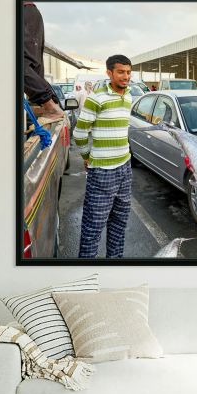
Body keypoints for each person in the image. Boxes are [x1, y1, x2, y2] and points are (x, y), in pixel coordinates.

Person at [74, 55, 135, 258]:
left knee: (119, 226)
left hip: (125, 169)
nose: (125, 76)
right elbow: (80, 132)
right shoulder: (96, 98)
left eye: (128, 72)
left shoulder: (128, 97)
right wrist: (86, 156)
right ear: (109, 73)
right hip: (102, 172)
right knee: (93, 229)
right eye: (120, 72)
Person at [22, 1, 65, 121]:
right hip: (29, 12)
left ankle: (51, 107)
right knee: (33, 65)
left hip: (23, 11)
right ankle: (50, 105)